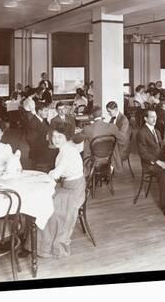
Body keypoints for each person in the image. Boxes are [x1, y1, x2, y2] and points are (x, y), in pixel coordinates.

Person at [35, 121, 86, 258]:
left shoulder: (67, 152)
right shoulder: (66, 147)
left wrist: (44, 178)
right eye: (54, 136)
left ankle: (46, 247)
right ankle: (40, 242)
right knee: (44, 201)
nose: (56, 140)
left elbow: (56, 174)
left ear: (66, 137)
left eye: (60, 137)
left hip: (74, 190)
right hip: (69, 185)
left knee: (47, 209)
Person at [136, 110, 165, 221]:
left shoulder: (157, 131)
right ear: (145, 118)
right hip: (149, 164)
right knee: (162, 173)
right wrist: (158, 162)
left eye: (155, 117)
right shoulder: (141, 133)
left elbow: (160, 150)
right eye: (152, 117)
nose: (155, 119)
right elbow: (143, 153)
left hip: (159, 159)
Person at [82, 106, 125, 170]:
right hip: (109, 158)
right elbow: (122, 139)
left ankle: (87, 171)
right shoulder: (111, 127)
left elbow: (76, 140)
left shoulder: (87, 128)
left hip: (93, 159)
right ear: (102, 115)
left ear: (92, 116)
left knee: (86, 145)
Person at [26, 102, 51, 171]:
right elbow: (31, 141)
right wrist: (47, 139)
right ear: (39, 111)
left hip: (44, 148)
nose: (47, 113)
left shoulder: (43, 120)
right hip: (39, 154)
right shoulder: (33, 123)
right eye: (46, 111)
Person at [106, 101, 131, 166]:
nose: (108, 113)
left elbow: (121, 136)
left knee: (104, 152)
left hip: (122, 146)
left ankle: (109, 170)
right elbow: (109, 128)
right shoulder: (113, 117)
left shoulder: (124, 120)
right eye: (108, 111)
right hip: (115, 142)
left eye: (109, 111)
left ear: (116, 109)